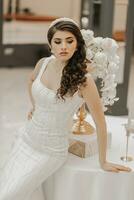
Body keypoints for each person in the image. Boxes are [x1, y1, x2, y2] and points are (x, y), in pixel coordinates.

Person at [0, 17, 131, 200]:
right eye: (58, 41)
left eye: (69, 41)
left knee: (10, 195)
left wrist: (103, 161)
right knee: (5, 186)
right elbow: (31, 80)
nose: (64, 46)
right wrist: (36, 106)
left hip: (50, 152)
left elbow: (100, 122)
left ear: (77, 45)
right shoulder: (43, 63)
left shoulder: (83, 81)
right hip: (27, 138)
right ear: (50, 45)